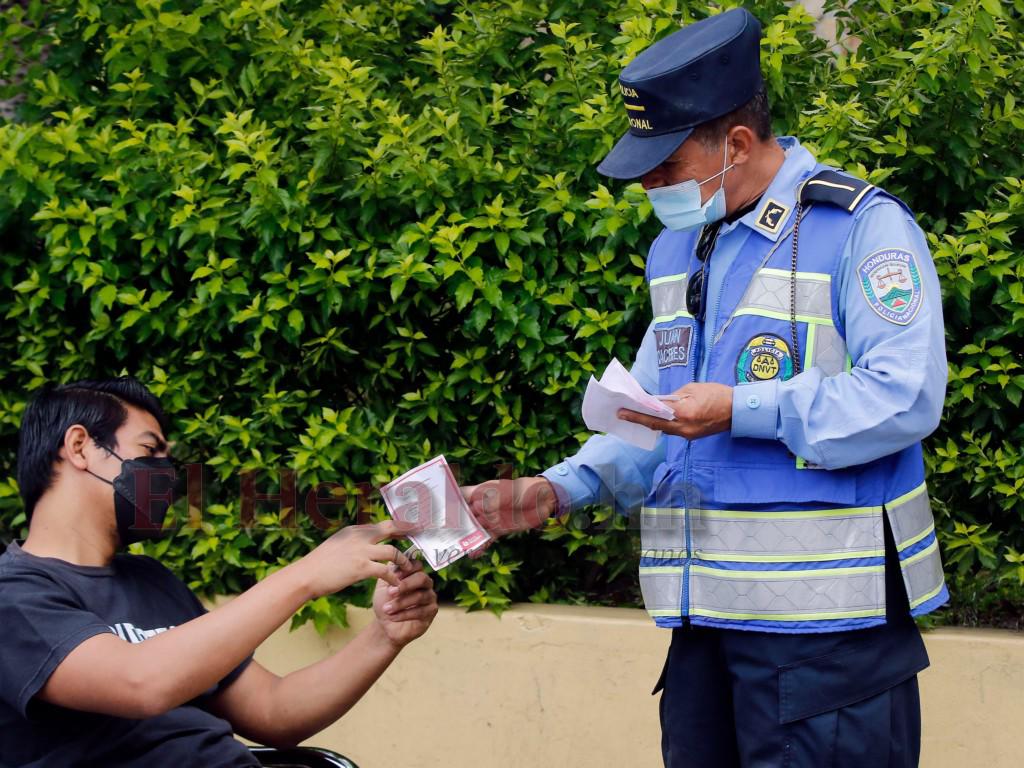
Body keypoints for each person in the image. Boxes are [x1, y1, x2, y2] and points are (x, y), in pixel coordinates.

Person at [463, 8, 948, 767]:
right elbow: (652, 411)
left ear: (740, 144)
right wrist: (555, 491)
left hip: (827, 645)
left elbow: (905, 396)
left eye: (668, 166)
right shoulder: (679, 248)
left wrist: (742, 408)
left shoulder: (861, 229)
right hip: (704, 634)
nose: (652, 185)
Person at [0, 377, 437, 766]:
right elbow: (141, 683)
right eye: (149, 451)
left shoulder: (152, 581)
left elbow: (274, 711)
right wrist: (307, 575)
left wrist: (386, 635)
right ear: (79, 447)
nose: (166, 475)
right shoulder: (14, 595)